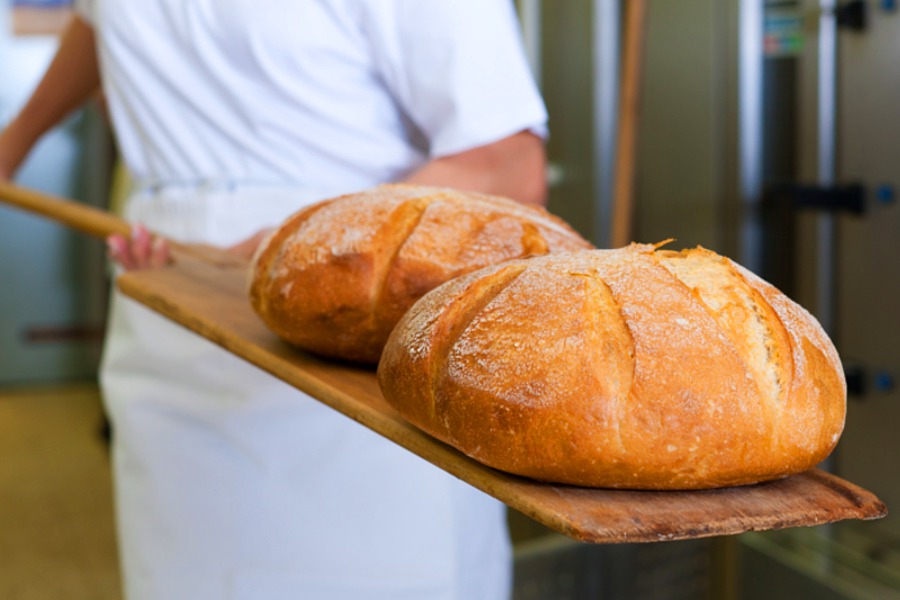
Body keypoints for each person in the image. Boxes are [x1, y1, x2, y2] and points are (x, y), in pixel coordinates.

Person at [0, 1, 548, 598]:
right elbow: (104, 15)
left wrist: (309, 242)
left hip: (350, 315)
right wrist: (16, 139)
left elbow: (506, 162)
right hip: (164, 300)